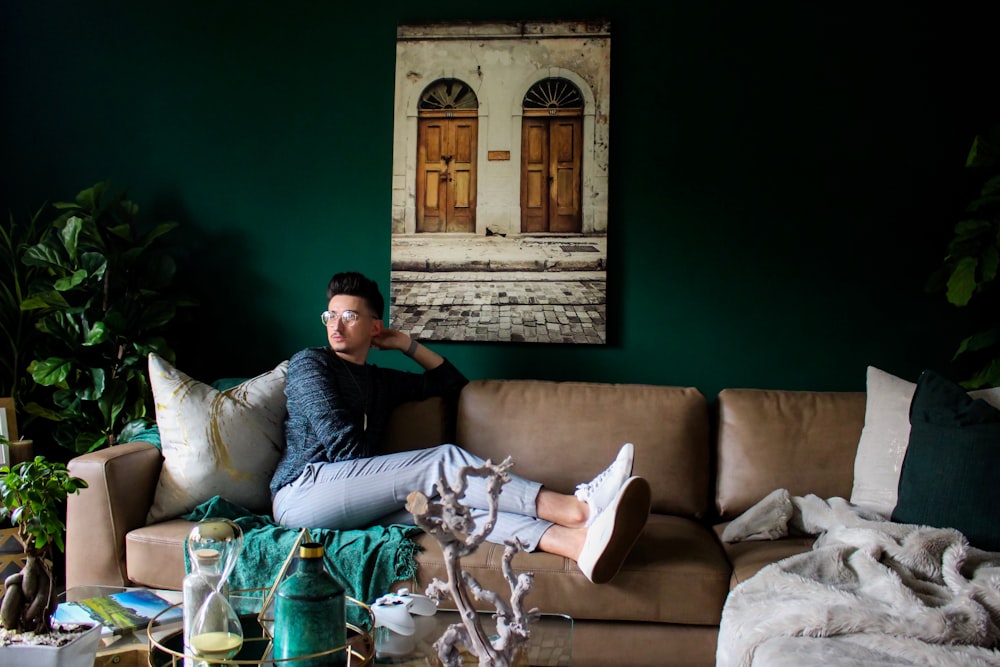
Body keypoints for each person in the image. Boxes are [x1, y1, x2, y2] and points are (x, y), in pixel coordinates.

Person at [270, 271, 650, 584]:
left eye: (350, 316)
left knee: (452, 508)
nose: (335, 325)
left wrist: (407, 345)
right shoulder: (310, 364)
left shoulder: (379, 381)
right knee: (442, 462)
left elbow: (453, 385)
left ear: (374, 326)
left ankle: (576, 545)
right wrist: (397, 482)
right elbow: (343, 450)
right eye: (330, 315)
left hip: (351, 499)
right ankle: (577, 509)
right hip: (301, 493)